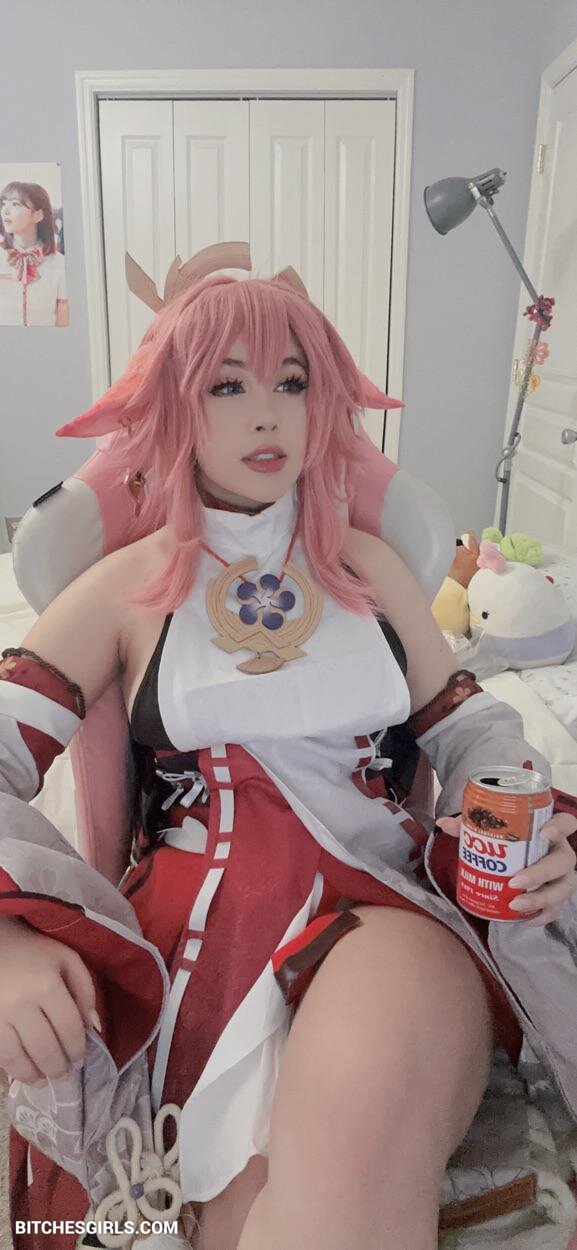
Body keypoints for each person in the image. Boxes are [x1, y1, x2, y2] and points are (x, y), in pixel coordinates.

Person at [1, 267, 577, 1250]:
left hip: (383, 912)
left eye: (293, 381)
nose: (267, 413)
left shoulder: (369, 566)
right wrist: (9, 932)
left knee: (352, 1151)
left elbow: (469, 727)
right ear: (173, 406)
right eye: (226, 384)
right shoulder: (123, 586)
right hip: (189, 958)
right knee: (230, 1217)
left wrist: (520, 819)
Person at [0, 181, 69, 326]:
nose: (5, 211)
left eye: (15, 204)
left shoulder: (61, 264)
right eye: (3, 204)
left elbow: (63, 322)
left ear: (38, 215)